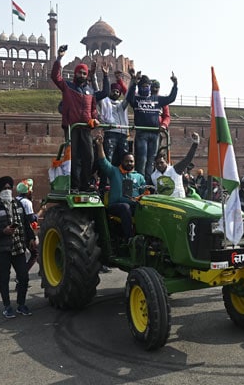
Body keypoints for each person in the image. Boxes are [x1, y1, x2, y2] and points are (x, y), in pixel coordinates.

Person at [0, 176, 37, 318]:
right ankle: (7, 306)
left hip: (18, 247)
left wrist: (31, 238)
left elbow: (26, 224)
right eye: (4, 188)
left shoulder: (18, 206)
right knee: (4, 278)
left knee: (24, 277)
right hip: (3, 249)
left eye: (9, 188)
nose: (7, 190)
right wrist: (2, 231)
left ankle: (21, 304)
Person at [51, 45, 104, 191]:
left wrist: (95, 118)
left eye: (84, 73)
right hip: (71, 126)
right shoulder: (68, 87)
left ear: (87, 75)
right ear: (75, 74)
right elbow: (55, 77)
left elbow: (93, 108)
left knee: (89, 157)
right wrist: (59, 58)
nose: (82, 75)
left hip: (86, 127)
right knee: (73, 157)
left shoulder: (90, 91)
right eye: (79, 72)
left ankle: (85, 184)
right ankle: (74, 186)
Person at [126, 68, 178, 183]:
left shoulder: (156, 99)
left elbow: (171, 98)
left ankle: (148, 184)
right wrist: (134, 82)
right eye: (143, 86)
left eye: (147, 85)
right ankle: (140, 182)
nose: (145, 88)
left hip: (154, 133)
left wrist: (175, 84)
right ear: (140, 87)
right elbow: (129, 97)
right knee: (142, 159)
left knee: (151, 160)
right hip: (142, 133)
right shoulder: (136, 99)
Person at [94, 134, 146, 240]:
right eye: (126, 161)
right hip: (116, 206)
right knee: (124, 207)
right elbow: (103, 162)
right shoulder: (114, 172)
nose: (129, 163)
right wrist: (100, 146)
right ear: (122, 162)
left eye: (131, 161)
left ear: (134, 163)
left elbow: (144, 193)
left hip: (134, 207)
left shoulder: (139, 177)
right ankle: (130, 239)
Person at [150, 132, 200, 197]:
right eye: (157, 163)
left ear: (167, 161)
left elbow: (188, 159)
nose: (159, 165)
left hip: (178, 203)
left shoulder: (174, 170)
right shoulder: (153, 176)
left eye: (161, 163)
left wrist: (195, 143)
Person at [15, 179, 39, 272]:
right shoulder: (27, 202)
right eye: (31, 190)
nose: (32, 191)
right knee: (35, 253)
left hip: (16, 231)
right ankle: (22, 274)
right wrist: (41, 210)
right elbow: (31, 219)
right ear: (28, 192)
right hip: (26, 232)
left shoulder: (15, 200)